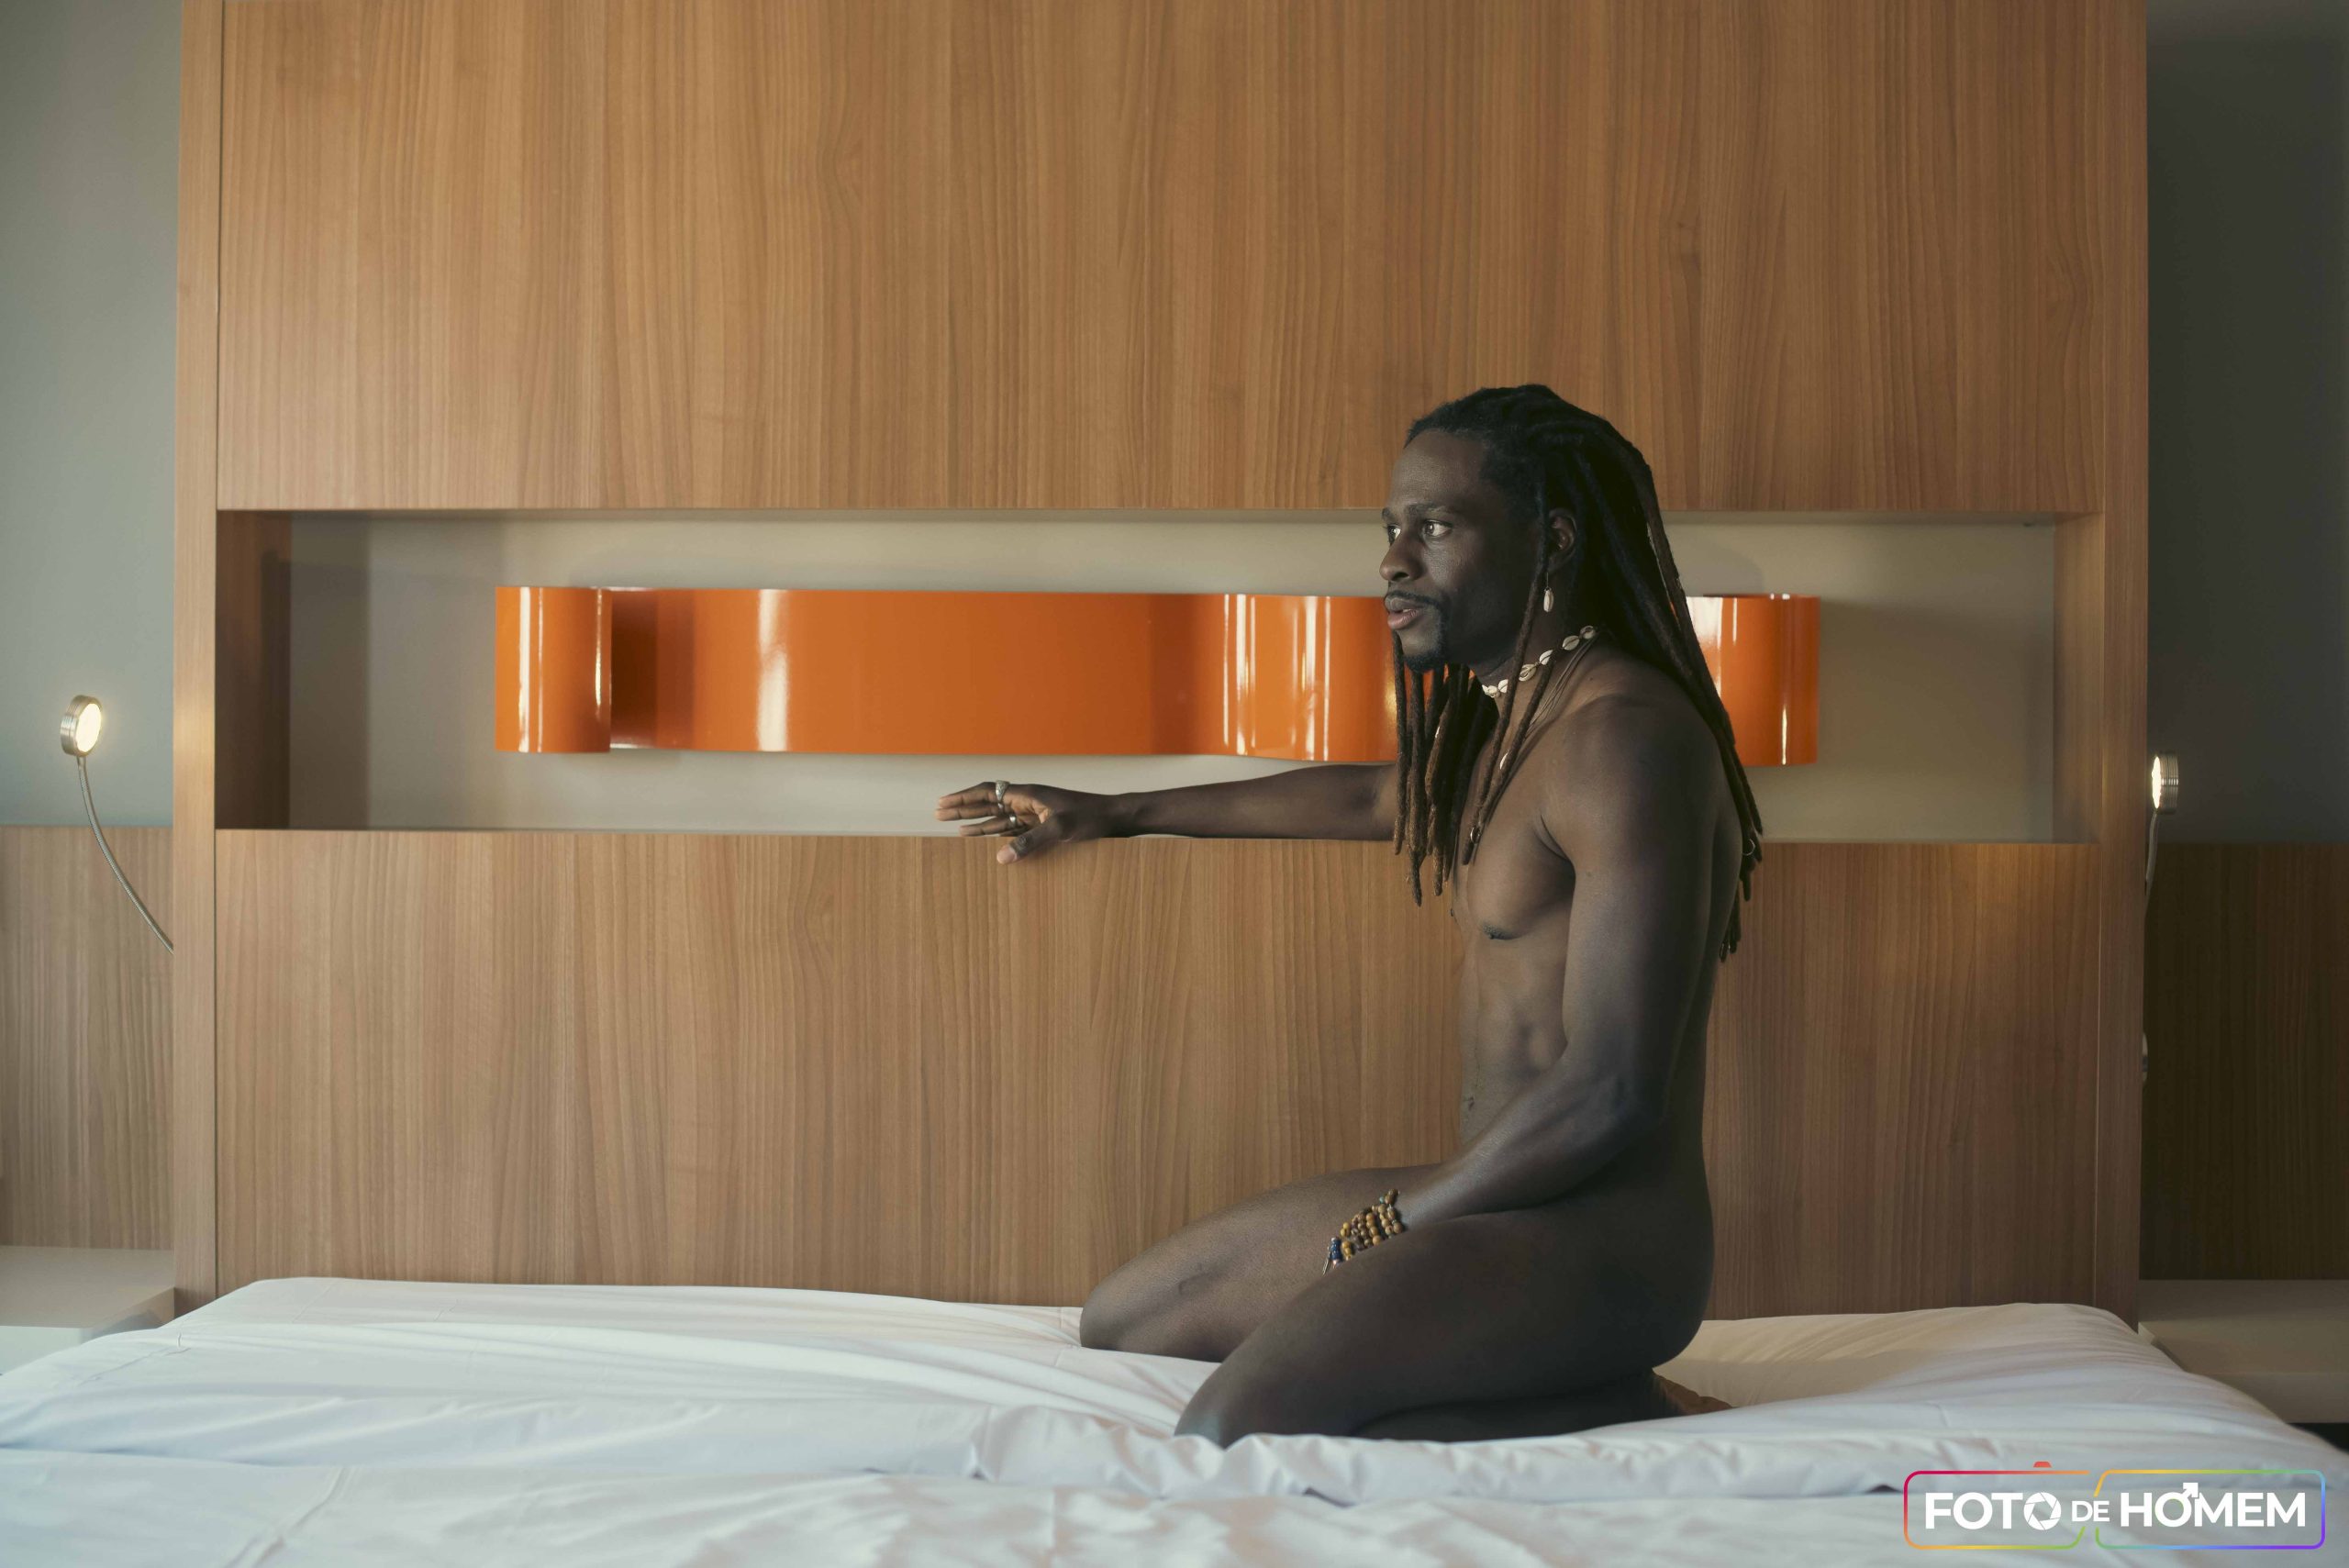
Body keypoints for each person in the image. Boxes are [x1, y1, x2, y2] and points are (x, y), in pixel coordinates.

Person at [933, 384, 1763, 1444]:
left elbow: (1611, 1092)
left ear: (1551, 540)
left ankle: (1606, 1394)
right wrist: (1114, 809)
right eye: (1390, 528)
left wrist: (1392, 1223)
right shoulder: (1516, 724)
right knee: (1129, 1317)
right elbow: (1378, 797)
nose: (1391, 561)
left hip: (1598, 1243)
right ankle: (1574, 1392)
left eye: (1435, 527)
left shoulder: (1622, 741)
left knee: (1237, 1421)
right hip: (1486, 1202)